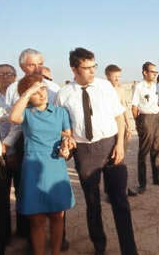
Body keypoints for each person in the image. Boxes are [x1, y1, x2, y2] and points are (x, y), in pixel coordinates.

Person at [55, 48, 138, 255]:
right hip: (85, 152)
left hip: (110, 146)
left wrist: (119, 145)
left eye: (94, 66)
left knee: (120, 201)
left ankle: (129, 249)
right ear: (74, 68)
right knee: (93, 203)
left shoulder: (105, 87)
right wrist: (67, 140)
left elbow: (119, 117)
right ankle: (99, 245)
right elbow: (63, 126)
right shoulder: (63, 94)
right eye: (87, 68)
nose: (92, 71)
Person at [4, 49, 69, 250]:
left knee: (58, 214)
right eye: (33, 64)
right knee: (35, 216)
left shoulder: (53, 89)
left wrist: (68, 145)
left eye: (41, 63)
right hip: (30, 157)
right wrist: (28, 92)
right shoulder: (15, 91)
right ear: (23, 66)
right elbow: (13, 122)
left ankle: (57, 246)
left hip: (56, 162)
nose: (38, 68)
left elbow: (66, 133)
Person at [131, 61, 159, 194]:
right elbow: (134, 107)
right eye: (152, 71)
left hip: (156, 117)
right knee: (144, 151)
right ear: (144, 72)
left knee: (157, 149)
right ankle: (142, 183)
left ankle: (157, 177)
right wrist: (140, 123)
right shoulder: (139, 86)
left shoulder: (157, 86)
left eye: (156, 72)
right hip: (145, 118)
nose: (154, 74)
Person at [105, 64, 137, 197]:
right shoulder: (103, 90)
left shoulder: (121, 89)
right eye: (115, 76)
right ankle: (110, 192)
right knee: (110, 160)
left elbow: (124, 107)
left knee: (121, 157)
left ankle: (122, 187)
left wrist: (129, 125)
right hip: (108, 128)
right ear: (107, 76)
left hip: (121, 127)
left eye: (119, 76)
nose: (118, 79)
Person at [0, 64, 17, 254]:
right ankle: (3, 237)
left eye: (8, 73)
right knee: (2, 198)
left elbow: (19, 125)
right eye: (1, 74)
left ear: (15, 76)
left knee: (23, 193)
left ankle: (25, 232)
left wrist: (9, 145)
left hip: (18, 150)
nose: (5, 77)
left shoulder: (19, 95)